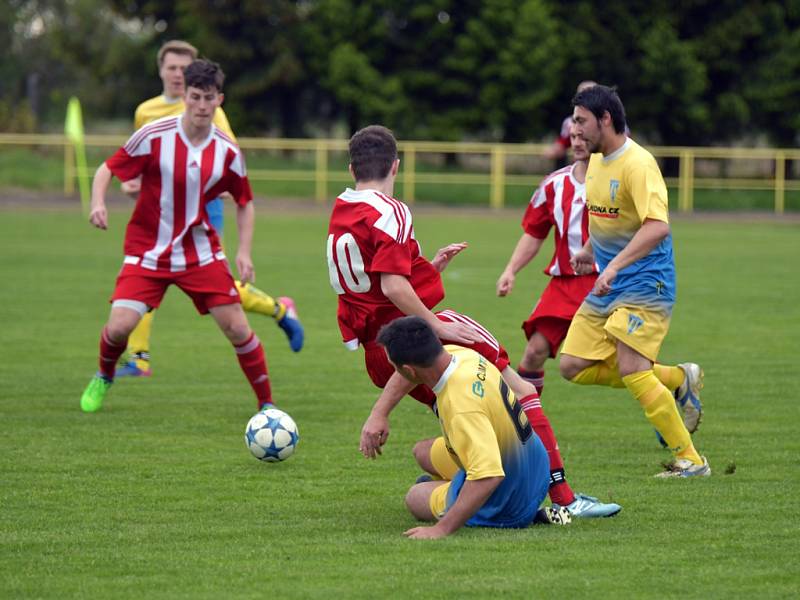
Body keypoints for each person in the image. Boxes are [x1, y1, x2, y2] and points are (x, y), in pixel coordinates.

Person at [330, 125, 619, 517]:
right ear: (396, 166)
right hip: (415, 334)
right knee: (521, 393)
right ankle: (564, 501)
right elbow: (394, 287)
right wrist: (438, 325)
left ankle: (485, 489)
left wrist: (428, 270)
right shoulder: (391, 209)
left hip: (378, 350)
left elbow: (373, 284)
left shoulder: (342, 208)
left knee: (466, 414)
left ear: (351, 170)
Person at [80, 60, 275, 413]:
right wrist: (98, 203)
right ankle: (104, 375)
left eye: (209, 98)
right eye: (196, 97)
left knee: (236, 327)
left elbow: (245, 202)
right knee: (120, 327)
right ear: (184, 96)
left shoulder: (228, 151)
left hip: (200, 253)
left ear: (220, 100)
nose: (202, 106)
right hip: (148, 250)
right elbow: (108, 168)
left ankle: (267, 407)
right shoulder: (155, 134)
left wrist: (245, 252)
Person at [117, 40, 303, 378]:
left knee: (220, 289)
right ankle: (138, 357)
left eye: (183, 68)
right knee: (144, 277)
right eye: (171, 67)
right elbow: (146, 162)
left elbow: (229, 155)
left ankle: (278, 309)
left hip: (204, 211)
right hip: (159, 213)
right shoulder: (146, 112)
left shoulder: (211, 108)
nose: (176, 74)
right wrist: (134, 185)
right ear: (161, 70)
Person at [560, 85, 707, 478]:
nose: (575, 130)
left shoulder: (638, 164)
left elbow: (657, 226)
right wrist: (590, 251)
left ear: (605, 119)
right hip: (610, 283)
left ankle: (690, 460)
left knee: (632, 368)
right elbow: (610, 215)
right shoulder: (596, 161)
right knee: (572, 365)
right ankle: (678, 379)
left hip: (647, 283)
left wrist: (612, 267)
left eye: (581, 121)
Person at [376, 316, 556, 539]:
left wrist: (441, 529)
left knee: (415, 497)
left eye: (395, 367)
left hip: (509, 501)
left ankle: (458, 494)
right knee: (421, 451)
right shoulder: (461, 355)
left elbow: (489, 477)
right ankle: (454, 486)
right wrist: (379, 413)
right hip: (536, 468)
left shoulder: (462, 406)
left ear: (410, 371)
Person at [497, 125, 598, 398]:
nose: (576, 142)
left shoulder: (620, 181)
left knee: (627, 363)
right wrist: (511, 270)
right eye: (573, 136)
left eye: (583, 136)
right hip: (564, 284)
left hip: (608, 283)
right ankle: (524, 430)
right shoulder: (554, 183)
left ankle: (672, 385)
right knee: (533, 352)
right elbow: (534, 232)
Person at [543, 80, 597, 166]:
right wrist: (552, 151)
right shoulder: (570, 122)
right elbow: (561, 146)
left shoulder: (608, 120)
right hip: (582, 171)